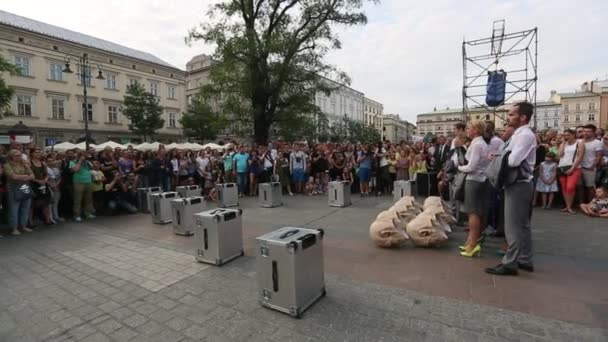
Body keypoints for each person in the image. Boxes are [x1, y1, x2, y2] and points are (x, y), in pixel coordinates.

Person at [486, 101, 537, 276]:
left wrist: (499, 158)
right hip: (519, 183)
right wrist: (500, 155)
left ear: (523, 117)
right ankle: (525, 259)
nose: (508, 117)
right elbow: (510, 156)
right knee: (523, 225)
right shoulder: (520, 134)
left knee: (513, 226)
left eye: (512, 114)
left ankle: (510, 263)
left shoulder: (524, 135)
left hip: (518, 183)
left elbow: (514, 161)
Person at [457, 120, 490, 258]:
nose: (467, 130)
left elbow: (472, 167)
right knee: (476, 212)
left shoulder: (477, 144)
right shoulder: (481, 143)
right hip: (480, 179)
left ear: (476, 130)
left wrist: (458, 167)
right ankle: (470, 242)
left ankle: (472, 245)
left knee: (473, 213)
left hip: (474, 180)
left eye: (469, 128)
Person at [4, 149, 35, 236]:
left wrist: (23, 176)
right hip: (13, 189)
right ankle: (14, 228)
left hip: (25, 188)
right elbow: (13, 176)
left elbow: (32, 176)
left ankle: (23, 226)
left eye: (20, 155)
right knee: (14, 209)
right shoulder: (7, 165)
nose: (19, 157)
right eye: (17, 155)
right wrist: (26, 176)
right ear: (11, 157)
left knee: (25, 208)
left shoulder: (24, 165)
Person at [557, 128, 585, 214]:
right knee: (564, 187)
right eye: (565, 135)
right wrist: (563, 143)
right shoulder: (563, 144)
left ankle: (569, 206)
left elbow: (580, 157)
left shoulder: (579, 143)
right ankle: (567, 206)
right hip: (562, 167)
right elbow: (560, 155)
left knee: (570, 187)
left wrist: (572, 168)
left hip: (575, 167)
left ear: (573, 135)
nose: (566, 137)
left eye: (568, 135)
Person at [578, 124, 604, 203]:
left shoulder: (597, 143)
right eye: (584, 131)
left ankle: (590, 203)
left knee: (590, 187)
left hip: (589, 168)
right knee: (580, 187)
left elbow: (598, 156)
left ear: (593, 132)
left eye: (588, 131)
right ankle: (581, 203)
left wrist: (592, 166)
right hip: (578, 167)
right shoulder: (579, 141)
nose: (585, 133)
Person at [70, 151, 95, 222]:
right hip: (78, 182)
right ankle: (77, 215)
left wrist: (88, 161)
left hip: (88, 181)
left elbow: (93, 168)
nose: (84, 157)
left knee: (88, 198)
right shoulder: (72, 162)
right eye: (83, 156)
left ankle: (88, 213)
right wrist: (80, 161)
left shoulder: (87, 162)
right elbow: (75, 170)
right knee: (78, 199)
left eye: (85, 156)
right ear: (79, 156)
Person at [46, 155, 64, 223]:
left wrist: (56, 185)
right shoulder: (46, 169)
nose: (51, 162)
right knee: (50, 203)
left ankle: (56, 216)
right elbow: (46, 179)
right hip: (49, 187)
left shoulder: (56, 169)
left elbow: (59, 178)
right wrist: (52, 186)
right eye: (49, 161)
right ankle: (50, 218)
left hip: (57, 186)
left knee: (56, 203)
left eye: (52, 161)